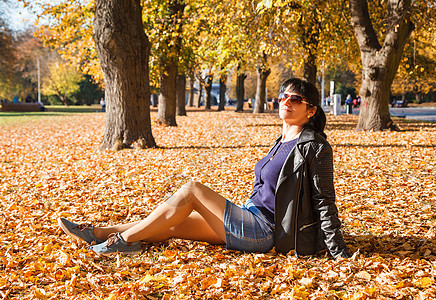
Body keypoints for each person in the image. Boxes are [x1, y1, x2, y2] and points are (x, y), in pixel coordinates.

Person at [58, 78, 351, 259]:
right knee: (171, 224)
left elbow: (324, 200)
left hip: (266, 232)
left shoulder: (315, 147)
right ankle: (97, 232)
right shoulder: (282, 139)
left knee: (192, 191)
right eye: (283, 97)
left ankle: (121, 242)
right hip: (251, 214)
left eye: (296, 99)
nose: (287, 101)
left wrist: (337, 251)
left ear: (311, 110)